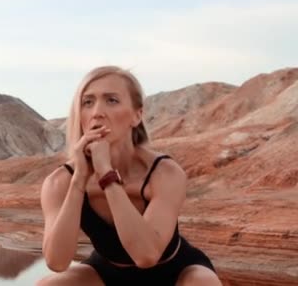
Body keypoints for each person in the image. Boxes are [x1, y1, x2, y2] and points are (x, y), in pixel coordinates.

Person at [37, 66, 221, 285]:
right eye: (88, 102)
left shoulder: (164, 173)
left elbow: (146, 256)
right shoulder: (59, 182)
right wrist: (79, 179)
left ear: (137, 115)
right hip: (106, 274)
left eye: (111, 100)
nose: (97, 112)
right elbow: (57, 262)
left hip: (176, 272)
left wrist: (106, 174)